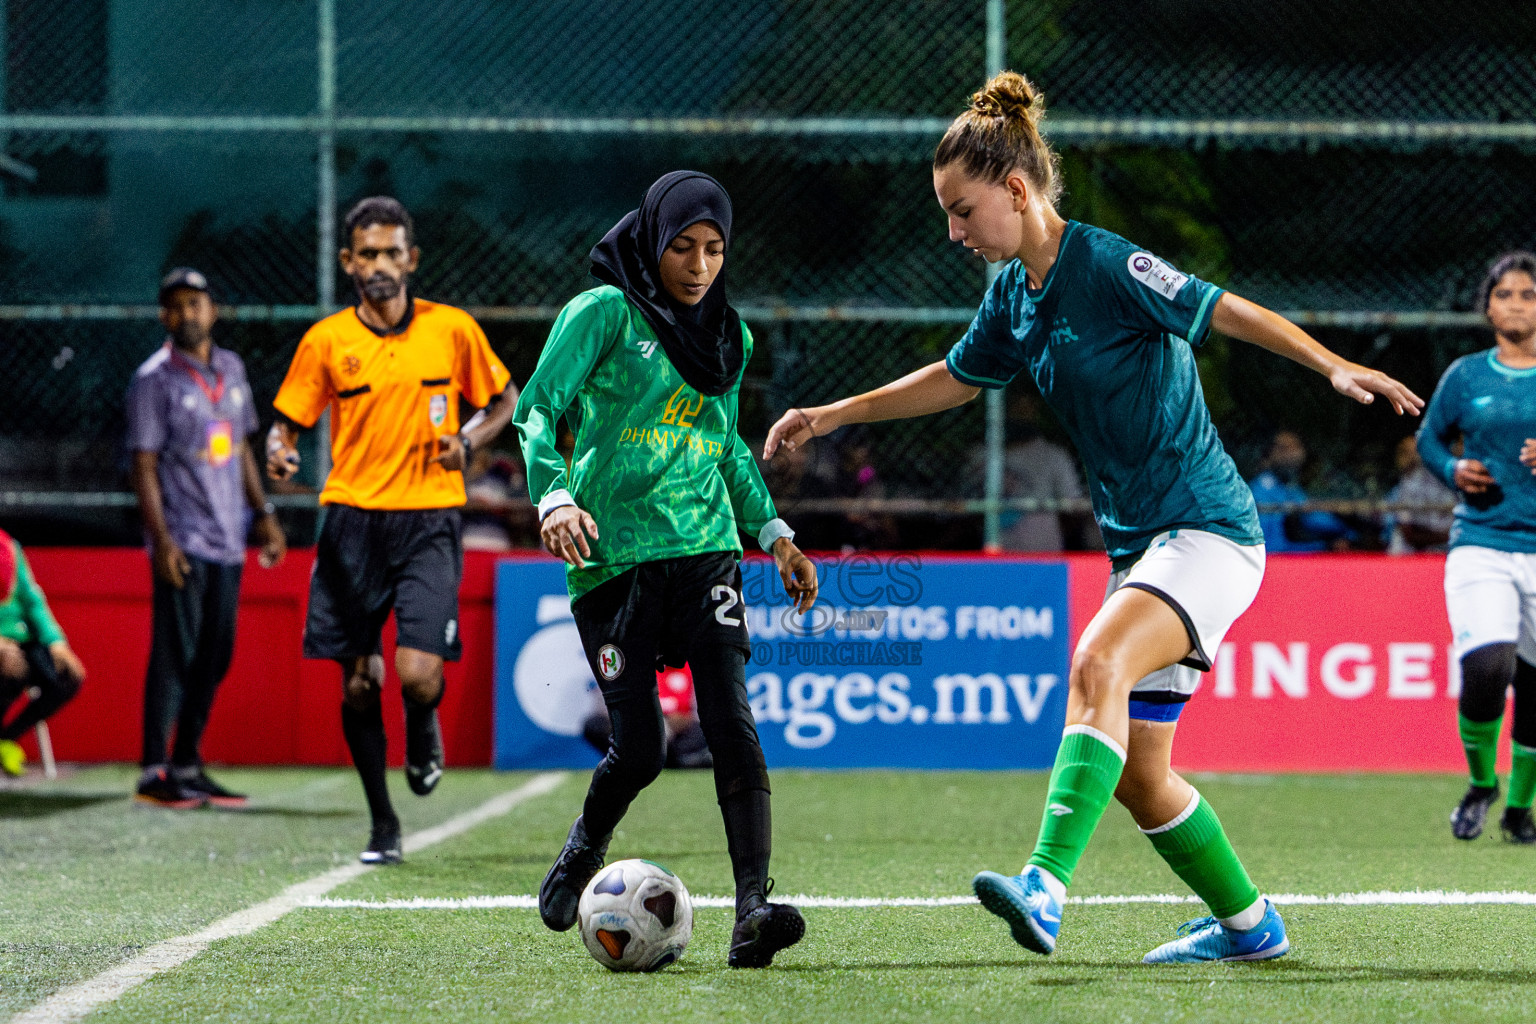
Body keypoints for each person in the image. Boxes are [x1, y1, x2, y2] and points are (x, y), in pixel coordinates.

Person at [764, 71, 1422, 964]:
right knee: (1142, 778)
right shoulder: (1012, 295)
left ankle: (1045, 884)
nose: (954, 232)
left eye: (962, 211)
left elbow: (1219, 307)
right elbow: (955, 379)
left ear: (1017, 190)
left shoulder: (1107, 264)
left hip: (1207, 531)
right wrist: (833, 414)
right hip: (1141, 549)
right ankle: (1250, 926)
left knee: (1096, 660)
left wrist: (1330, 365)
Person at [514, 171, 819, 968]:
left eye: (715, 249)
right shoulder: (603, 312)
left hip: (704, 546)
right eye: (682, 246)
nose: (699, 265)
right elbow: (536, 408)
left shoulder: (731, 336)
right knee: (643, 747)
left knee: (730, 720)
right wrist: (551, 499)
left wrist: (776, 535)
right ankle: (585, 848)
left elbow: (724, 447)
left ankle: (752, 909)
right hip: (610, 559)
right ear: (652, 242)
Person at [266, 197, 516, 863]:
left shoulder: (452, 329)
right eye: (367, 254)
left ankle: (424, 720)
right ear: (349, 262)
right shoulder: (326, 341)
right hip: (351, 519)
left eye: (391, 252)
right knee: (356, 680)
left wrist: (469, 440)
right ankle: (383, 823)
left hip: (430, 517)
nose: (380, 264)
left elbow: (503, 398)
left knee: (417, 675)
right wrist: (279, 448)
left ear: (412, 258)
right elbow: (287, 421)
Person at [127, 267, 287, 808]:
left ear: (212, 310)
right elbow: (144, 464)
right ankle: (154, 770)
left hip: (228, 535)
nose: (186, 314)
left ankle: (187, 763)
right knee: (175, 653)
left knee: (216, 654)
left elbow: (241, 445)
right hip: (184, 537)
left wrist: (262, 512)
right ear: (163, 316)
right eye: (175, 306)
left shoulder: (232, 368)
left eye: (195, 303)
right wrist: (163, 541)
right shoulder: (154, 378)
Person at [1418, 250, 1536, 845]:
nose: (1515, 304)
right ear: (1486, 305)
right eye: (1505, 294)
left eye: (1528, 294)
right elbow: (1428, 439)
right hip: (1482, 541)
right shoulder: (1466, 375)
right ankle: (1481, 782)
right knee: (1488, 666)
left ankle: (1519, 810)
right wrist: (1452, 467)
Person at [0, 528, 85, 777]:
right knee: (10, 669)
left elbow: (32, 599)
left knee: (69, 675)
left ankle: (6, 739)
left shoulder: (8, 545)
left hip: (23, 637)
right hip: (4, 650)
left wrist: (56, 641)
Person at [1248, 429, 1354, 553]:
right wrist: (1325, 546)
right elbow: (1273, 546)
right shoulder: (1259, 489)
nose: (1292, 454)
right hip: (1277, 561)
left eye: (1296, 447)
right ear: (1270, 453)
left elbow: (1313, 517)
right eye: (1284, 448)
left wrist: (1347, 533)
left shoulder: (1290, 487)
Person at [1384, 434, 1454, 555]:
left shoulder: (1448, 478)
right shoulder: (1405, 484)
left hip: (1443, 552)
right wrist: (1447, 536)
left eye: (1414, 452)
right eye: (1405, 452)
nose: (1410, 458)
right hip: (1411, 555)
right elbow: (1408, 533)